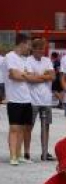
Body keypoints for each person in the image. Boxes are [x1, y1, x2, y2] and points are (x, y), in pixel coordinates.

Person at [4, 33, 34, 165]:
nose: (30, 48)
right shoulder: (10, 56)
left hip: (27, 99)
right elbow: (13, 75)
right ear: (22, 43)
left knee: (23, 128)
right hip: (14, 99)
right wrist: (26, 75)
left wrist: (24, 75)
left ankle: (19, 154)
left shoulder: (26, 59)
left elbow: (33, 76)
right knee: (14, 128)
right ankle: (12, 156)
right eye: (29, 45)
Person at [26, 37, 56, 161]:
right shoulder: (28, 60)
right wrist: (45, 76)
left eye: (42, 49)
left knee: (46, 127)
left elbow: (53, 76)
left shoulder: (47, 60)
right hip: (32, 99)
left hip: (46, 99)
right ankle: (26, 152)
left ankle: (45, 151)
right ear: (33, 49)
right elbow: (30, 79)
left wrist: (38, 76)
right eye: (38, 49)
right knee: (29, 127)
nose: (41, 51)